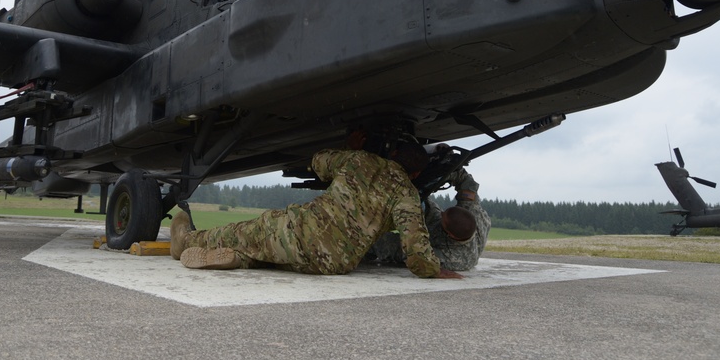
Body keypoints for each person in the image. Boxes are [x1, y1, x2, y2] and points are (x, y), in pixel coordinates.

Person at [169, 137, 463, 279]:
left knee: (246, 231)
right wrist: (434, 270)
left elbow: (319, 161)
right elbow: (415, 247)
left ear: (393, 152)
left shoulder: (361, 161)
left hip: (299, 231)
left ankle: (186, 242)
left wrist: (353, 149)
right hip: (333, 263)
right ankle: (238, 259)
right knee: (272, 254)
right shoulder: (407, 194)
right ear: (414, 174)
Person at [369, 167, 491, 272]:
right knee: (419, 196)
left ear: (450, 234)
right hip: (436, 225)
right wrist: (441, 173)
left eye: (443, 218)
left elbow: (409, 253)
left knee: (380, 241)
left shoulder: (452, 258)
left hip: (433, 240)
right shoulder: (472, 212)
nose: (441, 213)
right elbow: (466, 181)